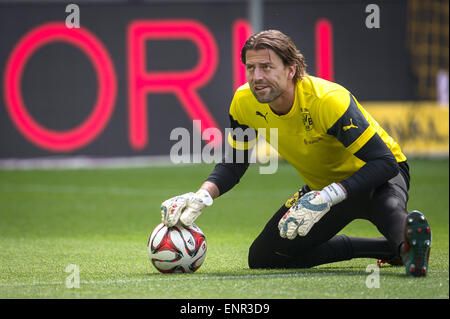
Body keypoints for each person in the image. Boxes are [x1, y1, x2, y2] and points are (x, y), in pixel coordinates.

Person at [160, 30, 431, 277]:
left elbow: (384, 163)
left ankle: (409, 248)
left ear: (291, 69)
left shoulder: (327, 100)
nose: (256, 77)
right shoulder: (243, 102)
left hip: (376, 177)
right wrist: (202, 196)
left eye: (266, 67)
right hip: (321, 189)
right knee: (265, 258)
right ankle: (390, 250)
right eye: (250, 67)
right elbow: (234, 163)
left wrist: (329, 195)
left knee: (389, 207)